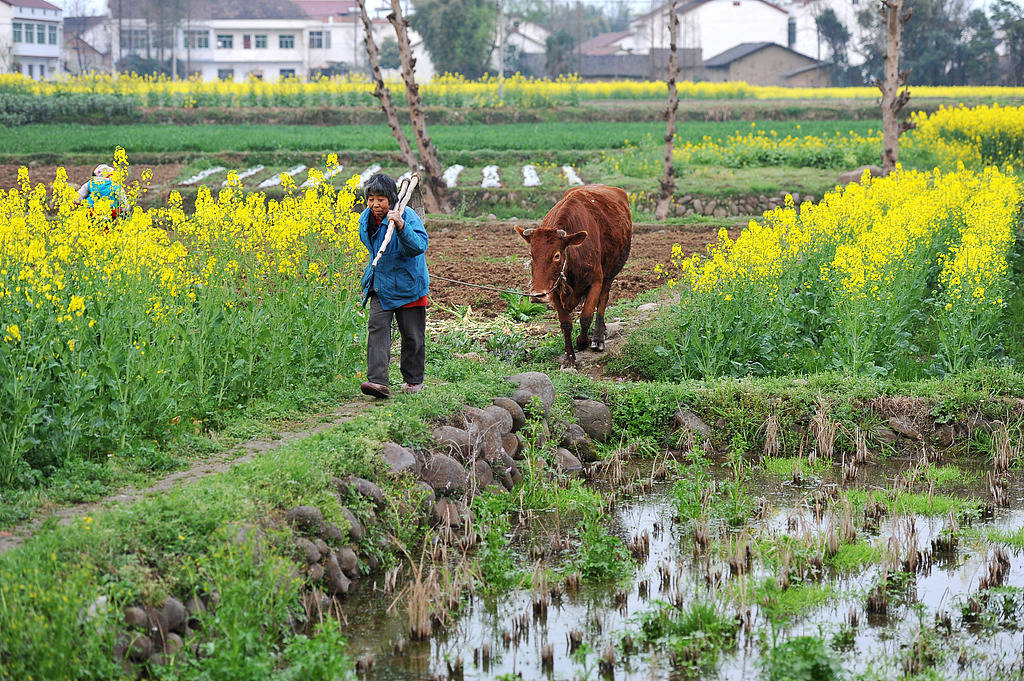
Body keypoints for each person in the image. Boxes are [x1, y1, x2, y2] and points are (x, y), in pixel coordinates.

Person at [358, 173, 429, 399]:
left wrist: (400, 226)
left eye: (380, 199)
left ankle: (413, 381)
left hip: (409, 284)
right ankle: (377, 381)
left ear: (391, 199)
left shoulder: (406, 215)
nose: (375, 204)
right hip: (381, 284)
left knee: (412, 336)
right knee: (377, 329)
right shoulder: (365, 220)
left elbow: (419, 245)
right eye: (371, 199)